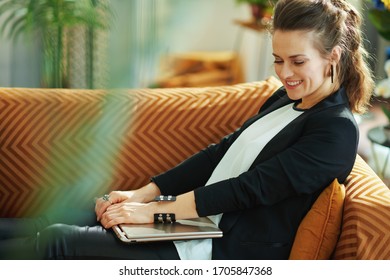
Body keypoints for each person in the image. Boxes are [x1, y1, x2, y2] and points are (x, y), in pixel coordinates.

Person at [0, 0, 374, 260]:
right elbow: (219, 153)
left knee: (55, 243)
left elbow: (248, 190)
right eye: (278, 60)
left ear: (333, 57)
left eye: (297, 61)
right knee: (60, 216)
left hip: (217, 250)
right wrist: (142, 194)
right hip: (192, 223)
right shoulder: (285, 99)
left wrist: (153, 214)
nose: (285, 73)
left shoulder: (335, 132)